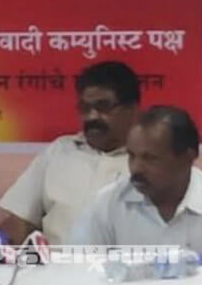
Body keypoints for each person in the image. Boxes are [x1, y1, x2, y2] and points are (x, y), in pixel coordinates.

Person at [0, 61, 139, 244]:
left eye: (103, 107)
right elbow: (20, 221)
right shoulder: (60, 151)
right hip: (56, 261)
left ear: (132, 109)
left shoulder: (150, 161)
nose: (92, 117)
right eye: (85, 108)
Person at [70, 106, 202, 251]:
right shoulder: (108, 203)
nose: (136, 168)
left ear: (187, 158)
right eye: (132, 156)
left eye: (150, 158)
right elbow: (79, 260)